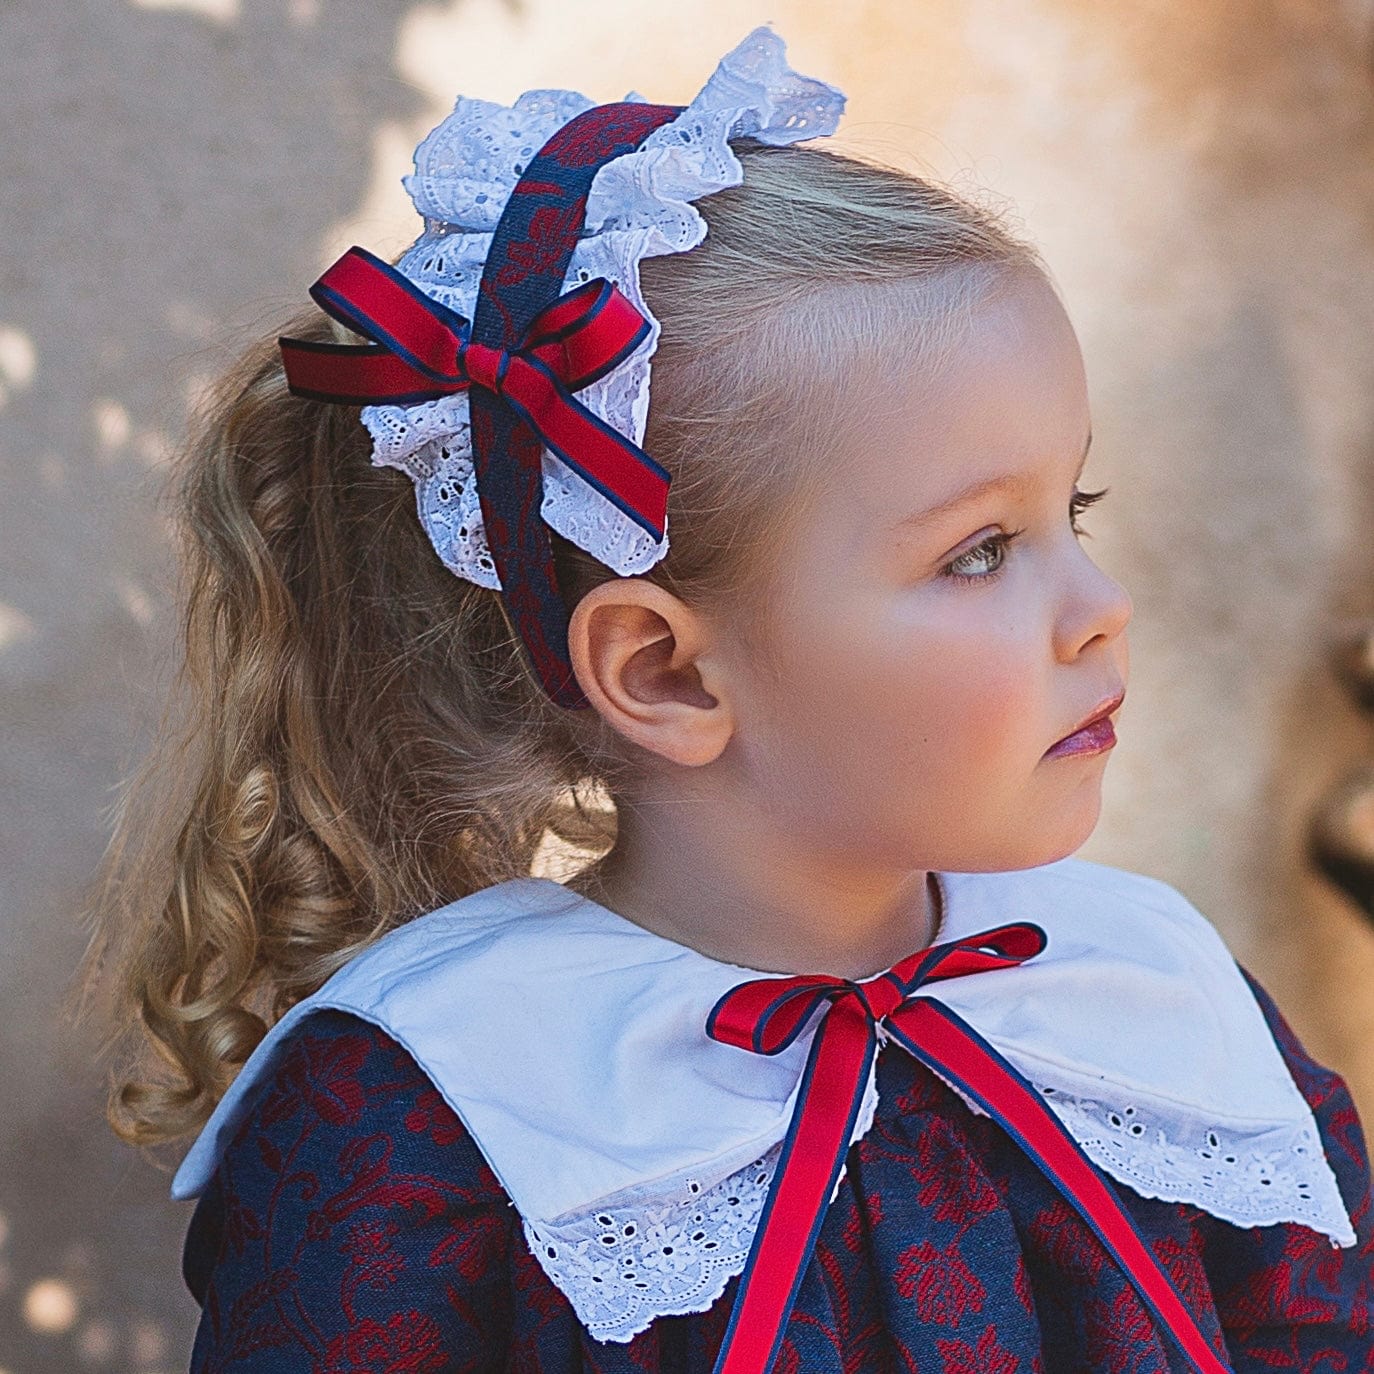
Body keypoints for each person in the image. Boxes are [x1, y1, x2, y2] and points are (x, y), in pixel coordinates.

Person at [76, 24, 1373, 1373]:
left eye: (1072, 507)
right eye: (978, 549)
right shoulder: (431, 1109)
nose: (1099, 602)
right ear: (667, 670)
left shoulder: (1143, 984)